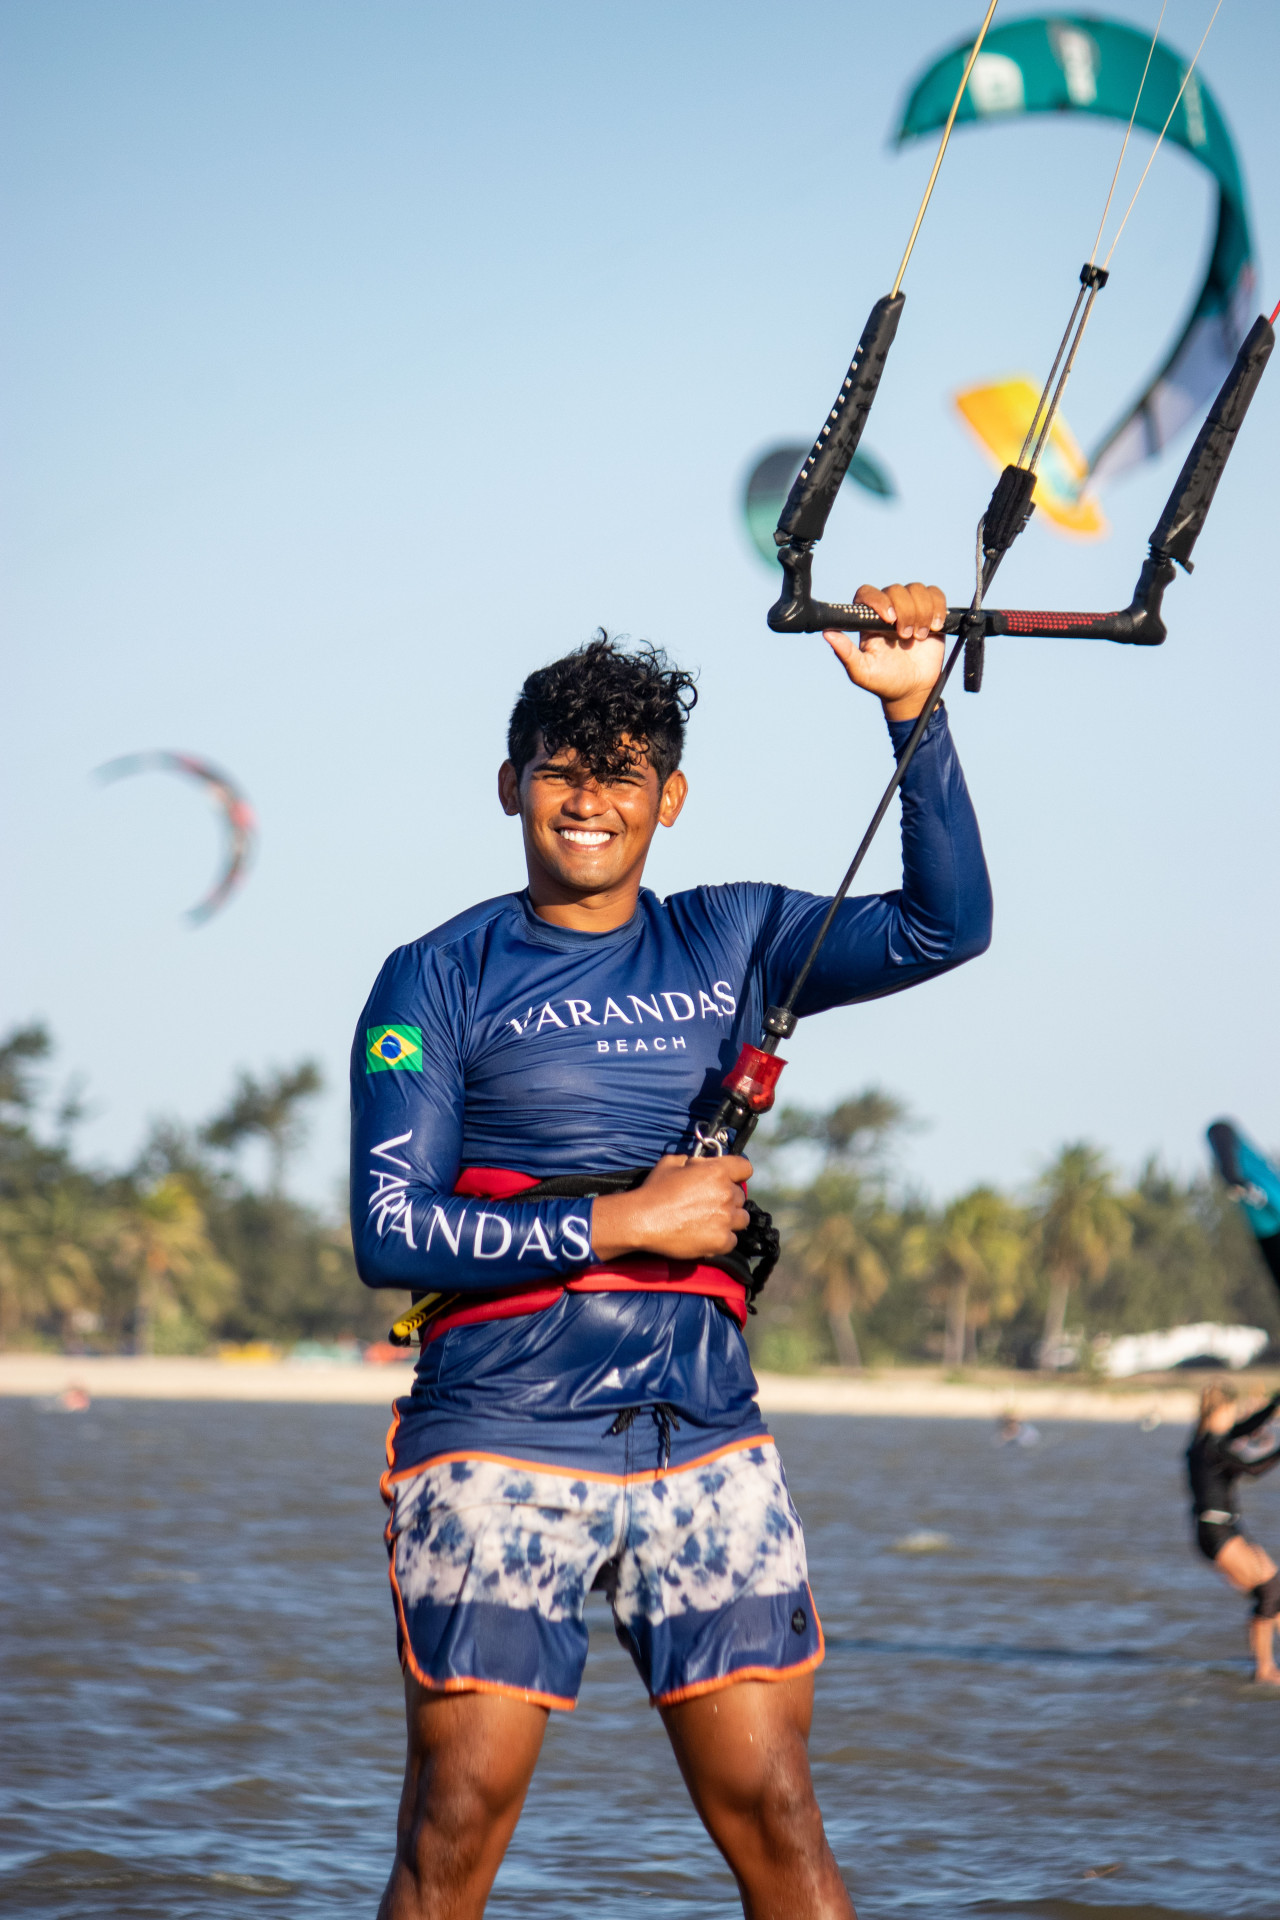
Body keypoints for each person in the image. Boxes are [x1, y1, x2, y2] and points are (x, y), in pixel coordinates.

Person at [351, 585, 992, 1920]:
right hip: (500, 1439)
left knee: (778, 1814)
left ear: (670, 798)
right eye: (560, 774)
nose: (588, 801)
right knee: (456, 1821)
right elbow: (391, 1230)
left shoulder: (738, 936)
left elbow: (948, 925)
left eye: (621, 776)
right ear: (509, 784)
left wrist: (914, 713)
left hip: (706, 1442)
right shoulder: (437, 975)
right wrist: (625, 1221)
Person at [1187, 1381, 1280, 1684]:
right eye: (1230, 1411)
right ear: (1218, 1411)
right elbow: (1253, 1469)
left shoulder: (1209, 1440)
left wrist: (1273, 1404)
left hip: (1227, 1527)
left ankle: (1265, 1666)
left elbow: (1245, 1427)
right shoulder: (1210, 1447)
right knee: (1268, 1590)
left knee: (1274, 1588)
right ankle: (1265, 1670)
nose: (1234, 1416)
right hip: (1215, 1531)